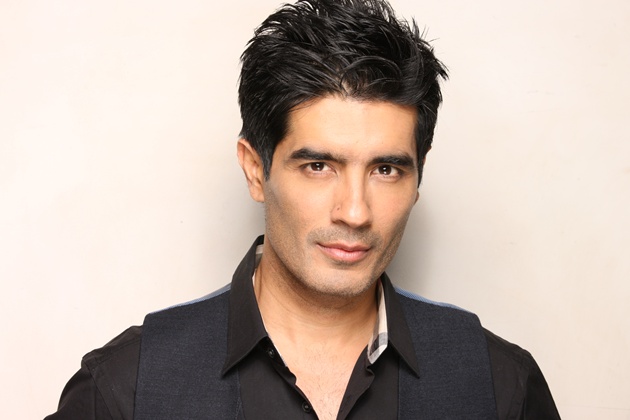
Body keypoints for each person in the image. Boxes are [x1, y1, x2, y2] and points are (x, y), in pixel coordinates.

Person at [46, 0, 561, 419]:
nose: (355, 212)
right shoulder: (125, 390)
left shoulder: (500, 387)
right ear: (255, 169)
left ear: (418, 176)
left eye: (386, 169)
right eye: (318, 166)